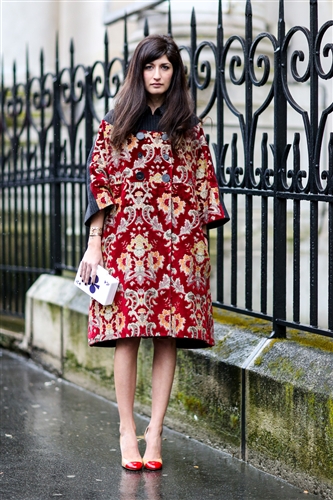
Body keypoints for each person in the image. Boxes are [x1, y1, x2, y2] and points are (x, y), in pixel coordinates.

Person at [80, 34, 229, 472]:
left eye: (165, 67)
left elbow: (205, 186)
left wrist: (198, 247)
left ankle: (155, 429)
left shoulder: (189, 126)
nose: (158, 75)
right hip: (126, 243)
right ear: (138, 71)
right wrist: (94, 244)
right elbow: (98, 182)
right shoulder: (115, 123)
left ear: (175, 72)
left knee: (167, 334)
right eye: (150, 67)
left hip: (179, 245)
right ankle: (127, 427)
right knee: (126, 335)